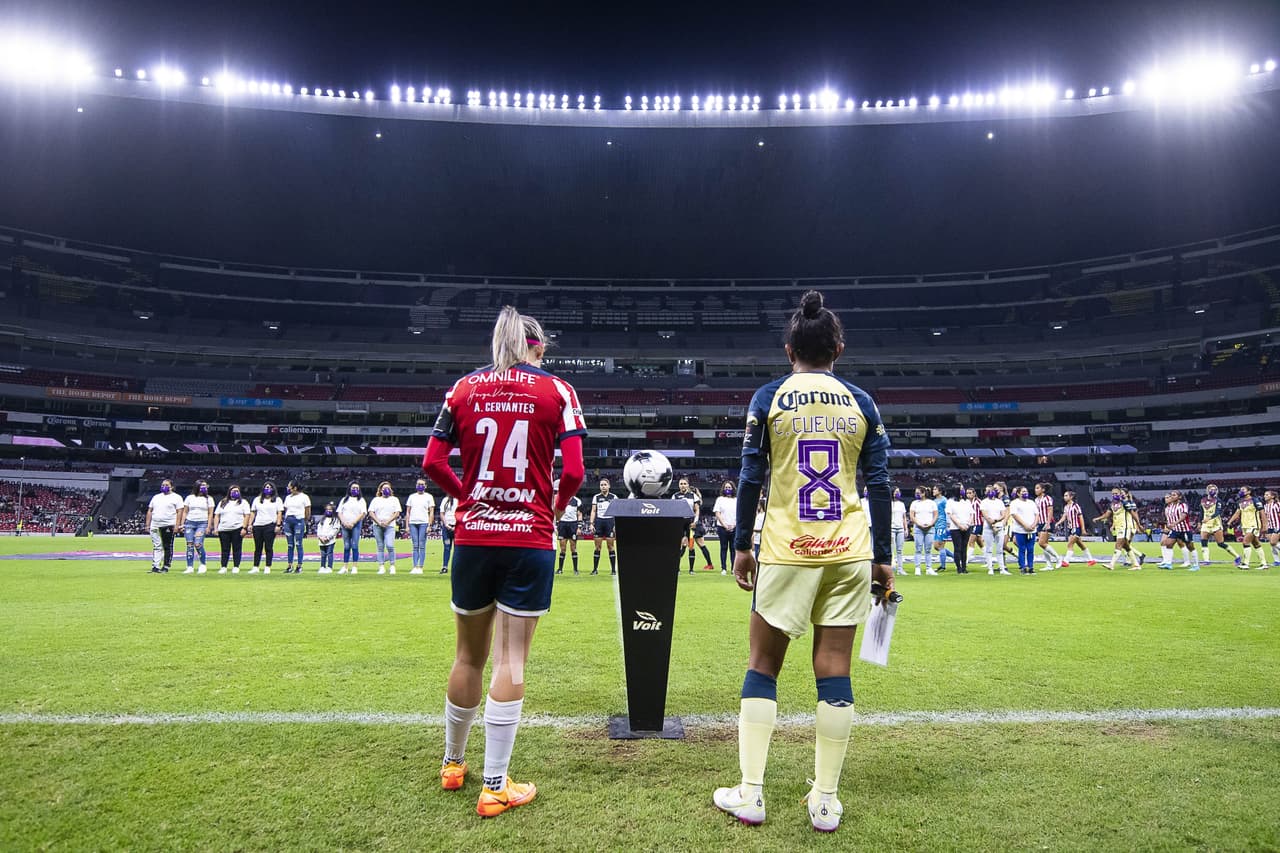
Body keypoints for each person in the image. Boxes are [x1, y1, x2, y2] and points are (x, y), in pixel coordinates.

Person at [713, 290, 892, 833]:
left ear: (789, 347)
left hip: (788, 548)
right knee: (833, 670)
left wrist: (742, 544)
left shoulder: (769, 397)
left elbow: (750, 477)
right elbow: (880, 483)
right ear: (838, 347)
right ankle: (825, 801)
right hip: (849, 549)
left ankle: (750, 793)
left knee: (762, 666)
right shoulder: (861, 401)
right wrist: (883, 558)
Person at [422, 305, 586, 818]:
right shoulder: (557, 391)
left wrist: (466, 495)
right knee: (511, 660)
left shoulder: (463, 390)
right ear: (536, 347)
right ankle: (494, 785)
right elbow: (576, 471)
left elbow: (431, 462)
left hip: (473, 536)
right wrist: (552, 508)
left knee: (467, 656)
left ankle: (453, 764)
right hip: (528, 539)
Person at [1093, 488, 1144, 571]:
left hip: (1125, 527)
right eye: (1112, 494)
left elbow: (1133, 514)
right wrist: (1098, 518)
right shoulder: (1112, 504)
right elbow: (1107, 514)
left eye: (1116, 493)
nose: (1114, 495)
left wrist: (1139, 525)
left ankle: (1111, 564)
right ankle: (1136, 565)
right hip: (1118, 527)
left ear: (1120, 494)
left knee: (1118, 544)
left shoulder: (1125, 502)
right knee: (1126, 546)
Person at [674, 477, 714, 573]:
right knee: (683, 545)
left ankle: (692, 569)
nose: (683, 485)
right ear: (678, 485)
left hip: (692, 524)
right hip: (680, 524)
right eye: (681, 483)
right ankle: (677, 568)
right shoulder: (675, 496)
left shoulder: (693, 496)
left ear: (688, 485)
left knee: (691, 545)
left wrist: (695, 521)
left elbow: (697, 509)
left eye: (684, 484)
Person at [145, 479, 184, 573]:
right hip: (155, 524)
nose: (164, 486)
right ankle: (155, 566)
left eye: (166, 485)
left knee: (167, 546)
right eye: (162, 485)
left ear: (172, 487)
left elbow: (180, 512)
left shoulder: (177, 497)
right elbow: (150, 510)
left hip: (168, 524)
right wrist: (147, 524)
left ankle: (166, 566)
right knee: (157, 546)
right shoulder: (156, 497)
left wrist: (177, 525)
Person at [1199, 484, 1243, 566]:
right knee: (1203, 542)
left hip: (1215, 524)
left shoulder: (1218, 500)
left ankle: (1237, 556)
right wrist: (1199, 522)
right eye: (1211, 489)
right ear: (1207, 490)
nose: (1213, 491)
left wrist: (1209, 518)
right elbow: (1201, 512)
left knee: (1220, 543)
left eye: (1214, 489)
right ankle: (1206, 560)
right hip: (1205, 524)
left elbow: (1218, 512)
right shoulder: (1203, 500)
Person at [213, 485, 251, 573]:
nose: (235, 492)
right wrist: (215, 528)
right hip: (223, 529)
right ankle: (223, 566)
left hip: (237, 528)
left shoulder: (243, 502)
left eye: (237, 491)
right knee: (224, 549)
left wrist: (244, 528)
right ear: (229, 492)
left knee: (237, 548)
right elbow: (217, 515)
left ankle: (236, 566)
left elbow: (247, 515)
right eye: (233, 491)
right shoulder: (223, 502)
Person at [1158, 490, 1199, 571]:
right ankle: (1168, 564)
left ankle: (1196, 565)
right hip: (1175, 530)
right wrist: (1169, 526)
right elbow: (1169, 519)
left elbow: (1183, 516)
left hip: (1184, 530)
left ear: (1179, 497)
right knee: (1168, 544)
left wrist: (1174, 523)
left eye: (1174, 495)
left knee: (1190, 547)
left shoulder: (1183, 505)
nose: (1172, 496)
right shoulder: (1169, 507)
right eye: (1171, 495)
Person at [1227, 486, 1265, 570]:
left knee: (1245, 542)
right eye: (1240, 490)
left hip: (1254, 524)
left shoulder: (1255, 500)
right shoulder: (1240, 501)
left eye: (1243, 490)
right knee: (1256, 544)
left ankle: (1245, 563)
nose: (1241, 491)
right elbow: (1237, 513)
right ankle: (1264, 564)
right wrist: (1230, 521)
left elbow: (1262, 512)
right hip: (1245, 525)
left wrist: (1264, 525)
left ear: (1249, 492)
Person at [249, 481, 283, 573]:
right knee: (257, 547)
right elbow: (253, 512)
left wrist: (278, 525)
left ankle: (268, 566)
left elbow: (279, 513)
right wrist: (250, 524)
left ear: (273, 489)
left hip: (270, 525)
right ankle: (255, 566)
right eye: (266, 487)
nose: (268, 489)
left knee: (268, 547)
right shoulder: (257, 499)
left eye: (270, 487)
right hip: (258, 525)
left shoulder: (277, 500)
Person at [369, 481, 402, 575]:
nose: (386, 490)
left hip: (390, 525)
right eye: (384, 488)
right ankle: (381, 566)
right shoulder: (376, 500)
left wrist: (387, 521)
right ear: (380, 490)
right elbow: (371, 512)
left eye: (388, 488)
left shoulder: (394, 499)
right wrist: (378, 522)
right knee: (380, 546)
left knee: (390, 545)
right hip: (377, 525)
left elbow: (397, 513)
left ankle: (392, 566)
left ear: (390, 489)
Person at [182, 479, 214, 574]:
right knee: (190, 544)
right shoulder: (189, 498)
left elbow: (210, 513)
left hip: (202, 523)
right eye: (202, 485)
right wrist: (182, 523)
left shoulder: (209, 499)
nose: (204, 487)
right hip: (189, 523)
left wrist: (209, 526)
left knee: (198, 543)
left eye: (205, 486)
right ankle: (190, 566)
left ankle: (203, 564)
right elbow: (185, 511)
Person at [1056, 491, 1095, 567]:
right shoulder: (1066, 507)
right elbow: (1064, 516)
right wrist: (1058, 522)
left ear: (1071, 497)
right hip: (1071, 528)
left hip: (1076, 527)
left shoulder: (1076, 506)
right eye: (1064, 495)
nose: (1064, 497)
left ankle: (1066, 561)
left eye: (1066, 495)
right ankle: (1091, 560)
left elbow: (1081, 517)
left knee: (1070, 544)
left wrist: (1083, 529)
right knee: (1081, 544)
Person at [406, 479, 436, 575]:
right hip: (413, 522)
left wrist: (429, 525)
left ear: (426, 486)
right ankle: (415, 566)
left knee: (422, 545)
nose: (420, 486)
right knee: (415, 545)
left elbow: (431, 512)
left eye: (422, 484)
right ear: (416, 485)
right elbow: (408, 512)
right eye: (418, 484)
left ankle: (420, 567)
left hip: (423, 522)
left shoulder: (429, 497)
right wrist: (407, 525)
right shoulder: (412, 497)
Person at [337, 481, 367, 574]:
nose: (355, 490)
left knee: (354, 545)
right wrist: (344, 522)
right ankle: (345, 566)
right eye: (353, 488)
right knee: (346, 546)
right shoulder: (344, 500)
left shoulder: (361, 500)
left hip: (356, 524)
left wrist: (353, 522)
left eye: (357, 488)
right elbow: (339, 512)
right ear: (349, 489)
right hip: (345, 524)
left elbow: (363, 513)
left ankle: (354, 566)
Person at [588, 477, 617, 576]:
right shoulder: (596, 497)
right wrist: (591, 524)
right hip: (599, 522)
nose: (603, 486)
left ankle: (613, 570)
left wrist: (615, 525)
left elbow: (616, 512)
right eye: (601, 485)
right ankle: (595, 569)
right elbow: (593, 511)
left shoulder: (614, 497)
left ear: (609, 486)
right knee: (597, 547)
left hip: (610, 522)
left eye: (605, 484)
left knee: (610, 546)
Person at [553, 479, 582, 575]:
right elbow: (556, 513)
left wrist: (579, 526)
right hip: (562, 524)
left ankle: (576, 569)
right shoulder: (560, 498)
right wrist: (556, 526)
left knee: (573, 548)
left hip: (573, 524)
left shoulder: (577, 501)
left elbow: (579, 514)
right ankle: (560, 569)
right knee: (562, 548)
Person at [282, 480, 311, 574]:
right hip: (288, 521)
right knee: (290, 545)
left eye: (289, 486)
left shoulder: (304, 497)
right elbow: (286, 509)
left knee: (298, 544)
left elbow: (307, 511)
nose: (288, 488)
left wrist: (305, 521)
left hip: (299, 520)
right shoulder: (288, 498)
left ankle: (299, 566)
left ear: (295, 488)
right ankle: (289, 565)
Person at [979, 486, 1010, 575]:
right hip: (988, 527)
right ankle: (990, 568)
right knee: (989, 549)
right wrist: (991, 523)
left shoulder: (999, 502)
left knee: (1000, 549)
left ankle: (1002, 568)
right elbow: (984, 514)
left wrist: (996, 521)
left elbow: (1003, 514)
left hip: (999, 526)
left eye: (992, 491)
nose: (990, 492)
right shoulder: (984, 502)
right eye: (988, 491)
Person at [1009, 487, 1039, 574]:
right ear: (1018, 493)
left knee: (1031, 549)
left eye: (1026, 491)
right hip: (1020, 530)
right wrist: (1025, 525)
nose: (1025, 493)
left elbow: (1037, 514)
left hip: (1032, 530)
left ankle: (1031, 566)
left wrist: (1033, 524)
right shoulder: (1014, 503)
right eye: (1023, 491)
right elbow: (1014, 515)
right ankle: (1022, 567)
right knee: (1022, 548)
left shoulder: (1031, 503)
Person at [945, 484, 974, 574]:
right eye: (961, 489)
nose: (963, 491)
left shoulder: (967, 501)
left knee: (964, 547)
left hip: (967, 526)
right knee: (957, 548)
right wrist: (959, 525)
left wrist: (968, 524)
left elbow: (971, 513)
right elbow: (950, 514)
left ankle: (964, 567)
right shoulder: (951, 502)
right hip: (955, 528)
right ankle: (959, 568)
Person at [908, 487, 937, 575]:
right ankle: (917, 568)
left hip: (930, 528)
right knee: (918, 549)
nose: (917, 494)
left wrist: (931, 524)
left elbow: (935, 515)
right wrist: (919, 524)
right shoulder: (914, 503)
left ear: (924, 493)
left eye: (918, 493)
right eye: (916, 493)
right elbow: (912, 516)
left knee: (928, 549)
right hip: (918, 528)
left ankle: (929, 568)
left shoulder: (931, 503)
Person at [713, 479, 738, 575]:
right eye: (726, 487)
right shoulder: (720, 499)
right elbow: (717, 513)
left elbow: (739, 514)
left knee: (733, 548)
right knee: (723, 547)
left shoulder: (736, 500)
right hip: (722, 527)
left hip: (734, 527)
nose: (728, 489)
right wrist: (725, 525)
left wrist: (734, 525)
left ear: (733, 489)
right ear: (723, 489)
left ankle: (733, 568)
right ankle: (723, 568)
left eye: (729, 487)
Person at [1033, 483, 1061, 571]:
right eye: (1035, 488)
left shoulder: (1047, 498)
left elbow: (1050, 511)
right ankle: (1049, 565)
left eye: (1037, 488)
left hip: (1047, 522)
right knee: (1045, 544)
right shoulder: (1036, 500)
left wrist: (1048, 523)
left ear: (1043, 490)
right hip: (1040, 522)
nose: (1036, 490)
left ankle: (1058, 558)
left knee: (1041, 543)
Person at [930, 484, 952, 572]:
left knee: (940, 545)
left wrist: (947, 524)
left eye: (935, 489)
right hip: (936, 524)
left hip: (942, 524)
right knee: (936, 546)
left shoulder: (944, 500)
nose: (933, 491)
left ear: (940, 491)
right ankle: (957, 557)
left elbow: (947, 512)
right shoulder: (934, 501)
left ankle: (943, 566)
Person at [316, 501, 340, 574]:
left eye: (330, 510)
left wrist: (328, 537)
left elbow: (335, 529)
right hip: (321, 540)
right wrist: (320, 537)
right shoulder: (322, 520)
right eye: (327, 509)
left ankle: (329, 567)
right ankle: (322, 566)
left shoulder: (335, 520)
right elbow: (319, 528)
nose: (328, 511)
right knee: (323, 554)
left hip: (330, 540)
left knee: (329, 553)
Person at [890, 487, 907, 575]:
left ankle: (900, 569)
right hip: (891, 528)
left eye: (898, 492)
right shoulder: (889, 503)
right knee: (892, 549)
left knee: (900, 550)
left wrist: (906, 529)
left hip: (900, 529)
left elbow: (904, 517)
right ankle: (892, 568)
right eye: (896, 492)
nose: (897, 493)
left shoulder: (902, 504)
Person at [439, 494, 458, 574]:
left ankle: (456, 568)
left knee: (457, 549)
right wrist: (446, 524)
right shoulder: (445, 500)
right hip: (446, 527)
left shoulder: (459, 500)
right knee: (447, 547)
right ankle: (445, 566)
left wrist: (457, 525)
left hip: (456, 527)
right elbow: (442, 513)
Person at [967, 487, 985, 566]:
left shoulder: (978, 502)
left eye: (970, 493)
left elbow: (983, 513)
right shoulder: (968, 502)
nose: (968, 495)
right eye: (967, 493)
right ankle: (989, 561)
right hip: (973, 524)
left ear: (974, 493)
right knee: (980, 543)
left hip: (978, 524)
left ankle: (965, 560)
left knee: (971, 542)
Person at [1264, 490, 1280, 568]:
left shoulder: (1277, 504)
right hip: (1270, 527)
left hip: (1277, 526)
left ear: (1272, 496)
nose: (1265, 496)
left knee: (1273, 542)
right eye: (1265, 495)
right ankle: (1277, 561)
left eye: (1267, 495)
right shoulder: (1266, 505)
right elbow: (1266, 517)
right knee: (1272, 544)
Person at [751, 495, 766, 560]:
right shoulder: (758, 515)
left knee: (760, 555)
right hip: (756, 539)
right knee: (756, 555)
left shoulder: (764, 515)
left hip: (762, 538)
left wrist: (754, 530)